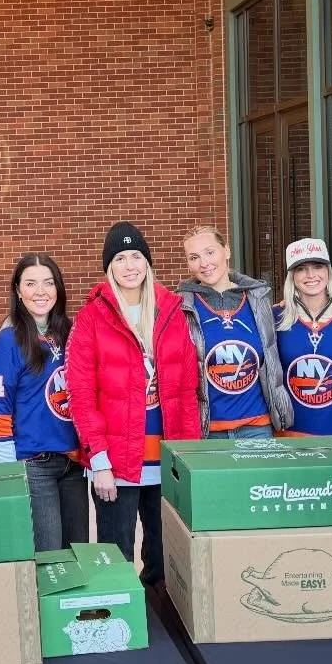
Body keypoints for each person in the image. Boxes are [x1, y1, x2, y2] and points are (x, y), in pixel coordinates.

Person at [68, 222, 201, 586]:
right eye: (121, 258)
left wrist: (188, 458)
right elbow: (81, 395)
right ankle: (122, 630)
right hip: (117, 461)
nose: (130, 265)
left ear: (147, 262)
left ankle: (163, 634)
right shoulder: (91, 318)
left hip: (165, 457)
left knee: (164, 555)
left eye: (136, 256)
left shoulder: (171, 311)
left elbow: (187, 392)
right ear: (109, 266)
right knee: (116, 557)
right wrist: (99, 462)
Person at [0, 254, 86, 551]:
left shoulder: (73, 333)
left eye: (48, 283)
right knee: (48, 554)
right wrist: (9, 475)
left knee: (78, 551)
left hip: (73, 463)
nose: (40, 291)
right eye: (30, 283)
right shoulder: (8, 341)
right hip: (34, 465)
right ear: (18, 291)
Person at [177, 225, 292, 438]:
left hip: (257, 427)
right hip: (208, 431)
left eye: (210, 252)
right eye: (194, 257)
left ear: (227, 251)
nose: (204, 263)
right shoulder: (182, 307)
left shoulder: (258, 300)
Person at [274, 239, 332, 446]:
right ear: (292, 276)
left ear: (328, 270)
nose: (310, 275)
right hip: (293, 435)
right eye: (301, 269)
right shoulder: (276, 317)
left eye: (317, 266)